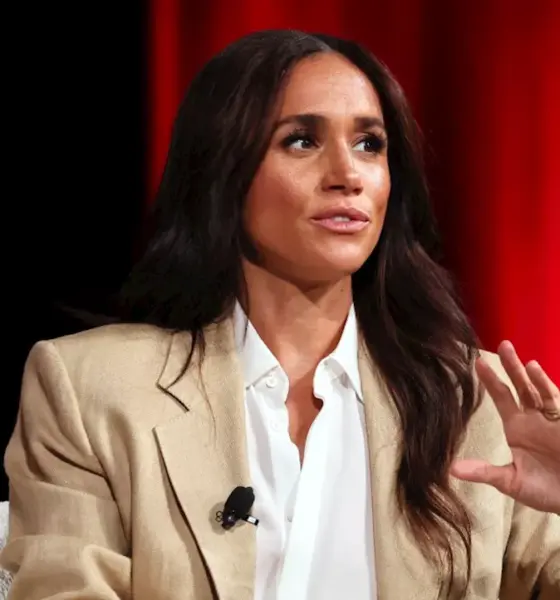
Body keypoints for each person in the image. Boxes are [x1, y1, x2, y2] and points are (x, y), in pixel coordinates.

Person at [0, 29, 558, 600]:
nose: (348, 174)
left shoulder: (477, 400)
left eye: (369, 144)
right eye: (301, 141)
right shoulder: (90, 390)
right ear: (225, 170)